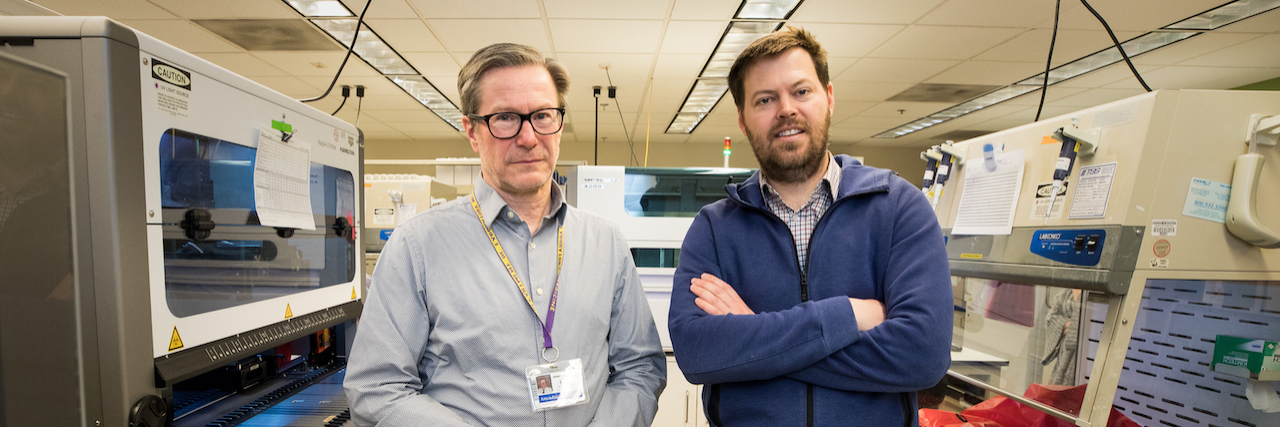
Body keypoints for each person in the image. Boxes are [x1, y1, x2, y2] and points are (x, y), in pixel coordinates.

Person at [345, 43, 666, 427]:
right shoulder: (417, 248)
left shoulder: (606, 244)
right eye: (506, 118)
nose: (529, 137)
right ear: (472, 131)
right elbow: (376, 387)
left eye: (543, 116)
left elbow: (641, 369)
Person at [668, 27, 952, 426]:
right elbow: (696, 354)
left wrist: (752, 337)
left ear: (829, 98)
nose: (786, 109)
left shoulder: (899, 208)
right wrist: (848, 316)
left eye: (801, 91)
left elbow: (923, 356)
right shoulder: (714, 228)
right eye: (765, 99)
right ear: (743, 120)